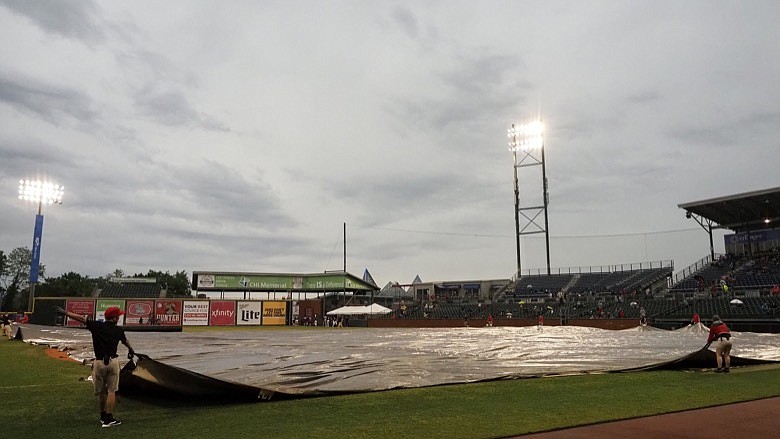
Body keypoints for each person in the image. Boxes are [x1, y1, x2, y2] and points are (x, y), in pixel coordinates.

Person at [54, 305, 135, 427]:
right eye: (117, 316)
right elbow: (126, 341)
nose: (118, 318)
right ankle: (109, 418)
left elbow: (81, 319)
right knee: (112, 391)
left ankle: (103, 416)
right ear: (114, 318)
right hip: (113, 362)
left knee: (102, 391)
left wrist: (66, 313)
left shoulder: (97, 326)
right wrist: (131, 350)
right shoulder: (119, 331)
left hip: (99, 363)